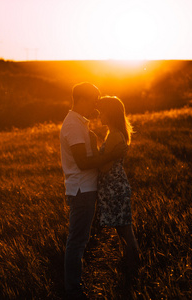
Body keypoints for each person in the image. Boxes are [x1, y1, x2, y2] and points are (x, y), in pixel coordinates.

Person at [60, 83, 128, 299]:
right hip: (81, 189)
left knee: (80, 239)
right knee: (77, 241)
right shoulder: (73, 125)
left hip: (86, 189)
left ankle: (74, 285)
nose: (96, 108)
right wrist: (112, 155)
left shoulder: (79, 123)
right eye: (94, 101)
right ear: (82, 99)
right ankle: (73, 289)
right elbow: (81, 162)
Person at [94, 96, 140, 276]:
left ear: (110, 113)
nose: (99, 116)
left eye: (101, 112)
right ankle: (130, 261)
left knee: (125, 229)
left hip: (114, 186)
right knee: (123, 228)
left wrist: (95, 156)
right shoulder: (114, 133)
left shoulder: (113, 135)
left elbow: (105, 166)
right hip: (116, 185)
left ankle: (134, 264)